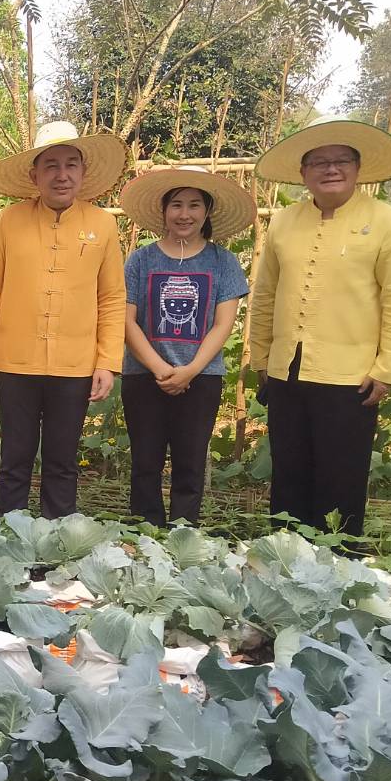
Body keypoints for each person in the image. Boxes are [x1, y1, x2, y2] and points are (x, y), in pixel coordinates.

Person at [250, 115, 391, 537]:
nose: (331, 169)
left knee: (341, 477)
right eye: (319, 162)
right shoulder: (285, 221)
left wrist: (387, 368)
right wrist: (262, 356)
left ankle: (338, 567)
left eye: (341, 160)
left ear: (358, 170)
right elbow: (265, 292)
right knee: (288, 472)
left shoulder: (386, 221)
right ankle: (284, 558)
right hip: (287, 369)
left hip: (352, 375)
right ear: (303, 173)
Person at [0, 121, 128, 518]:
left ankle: (56, 542)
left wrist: (107, 361)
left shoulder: (102, 224)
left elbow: (112, 298)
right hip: (15, 362)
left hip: (75, 366)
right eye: (51, 166)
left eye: (71, 165)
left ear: (82, 172)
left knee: (62, 462)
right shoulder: (11, 221)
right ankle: (9, 538)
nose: (62, 175)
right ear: (34, 175)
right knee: (14, 459)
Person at [116, 166, 255, 526]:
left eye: (194, 205)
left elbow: (223, 324)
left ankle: (183, 534)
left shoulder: (222, 262)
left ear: (207, 212)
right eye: (176, 204)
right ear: (163, 211)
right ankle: (144, 534)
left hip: (202, 377)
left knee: (190, 462)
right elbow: (127, 320)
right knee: (145, 461)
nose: (184, 214)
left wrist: (190, 369)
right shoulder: (141, 260)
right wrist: (160, 368)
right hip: (144, 375)